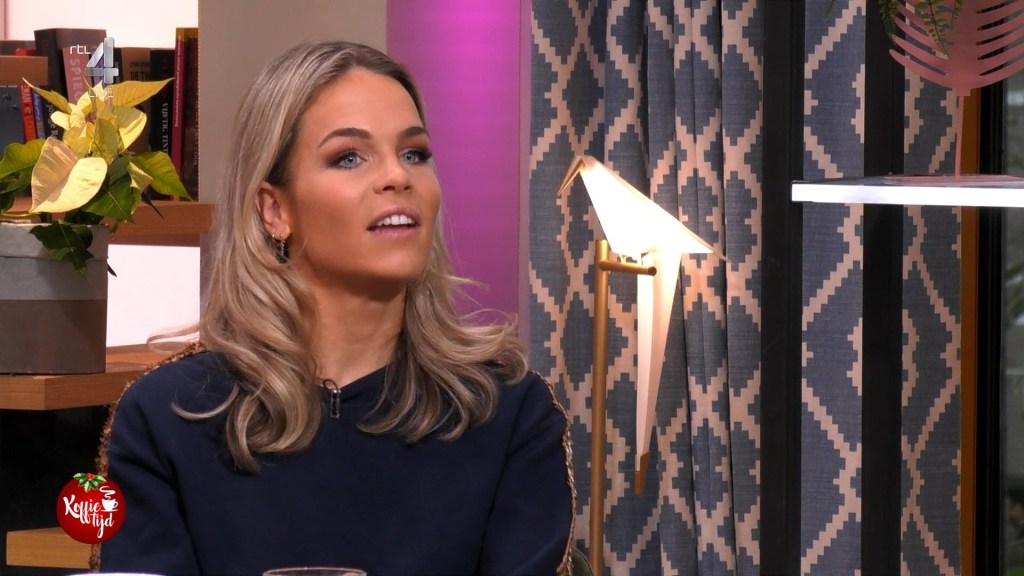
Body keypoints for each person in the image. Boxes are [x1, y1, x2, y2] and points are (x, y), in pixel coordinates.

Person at [96, 40, 575, 575]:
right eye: (349, 157)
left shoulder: (508, 413)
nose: (398, 177)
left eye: (414, 153)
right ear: (274, 210)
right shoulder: (167, 416)